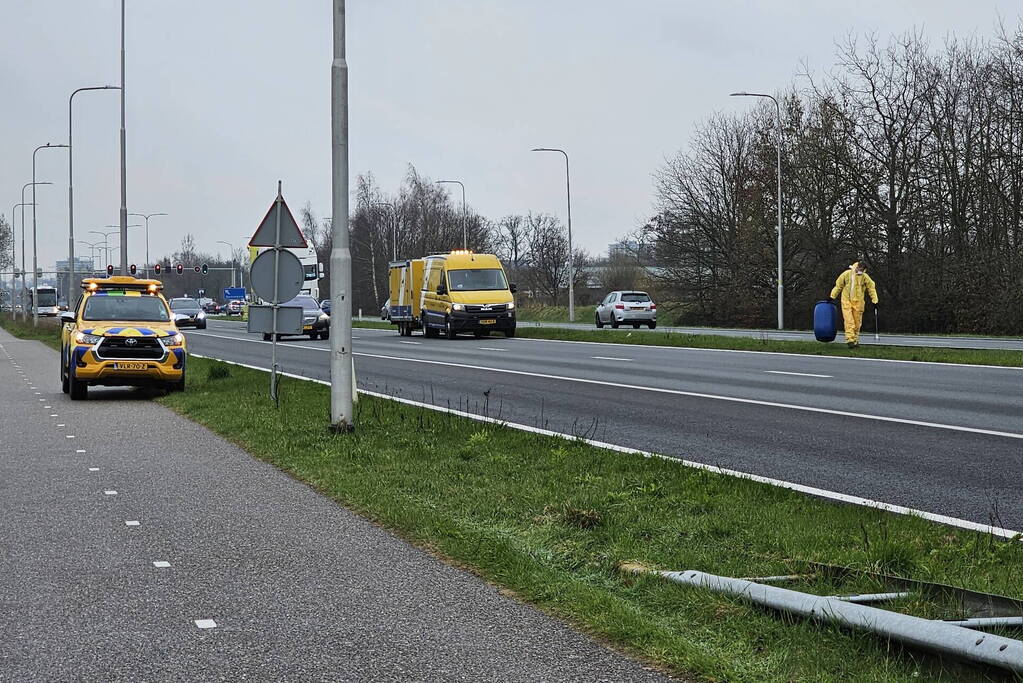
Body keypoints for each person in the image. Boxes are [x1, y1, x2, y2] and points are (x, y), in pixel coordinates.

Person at [829, 260, 879, 348]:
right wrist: (832, 296)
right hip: (846, 300)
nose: (859, 270)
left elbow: (871, 288)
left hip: (859, 303)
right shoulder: (847, 274)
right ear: (857, 266)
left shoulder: (864, 277)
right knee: (849, 321)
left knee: (857, 322)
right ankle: (850, 340)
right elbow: (838, 286)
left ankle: (855, 340)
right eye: (859, 268)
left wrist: (875, 301)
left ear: (864, 270)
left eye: (862, 269)